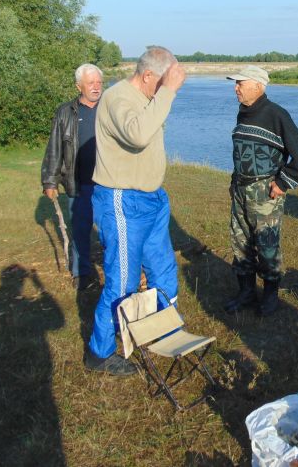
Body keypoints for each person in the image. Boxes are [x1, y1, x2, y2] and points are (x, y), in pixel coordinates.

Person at [84, 46, 186, 376]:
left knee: (164, 271)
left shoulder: (146, 98)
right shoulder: (117, 99)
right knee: (122, 283)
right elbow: (139, 135)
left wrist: (165, 91)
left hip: (153, 199)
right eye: (164, 81)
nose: (169, 88)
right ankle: (99, 353)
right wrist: (168, 91)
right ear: (147, 76)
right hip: (123, 201)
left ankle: (160, 331)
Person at [224, 65, 298, 317]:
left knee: (267, 243)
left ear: (258, 86)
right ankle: (246, 292)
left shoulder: (276, 114)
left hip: (265, 193)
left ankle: (271, 295)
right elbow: (241, 153)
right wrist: (234, 181)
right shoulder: (244, 113)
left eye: (240, 82)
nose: (236, 87)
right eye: (236, 83)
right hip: (240, 190)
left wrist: (284, 183)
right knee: (240, 242)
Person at [41, 63, 104, 290]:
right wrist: (50, 180)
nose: (96, 87)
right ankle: (81, 272)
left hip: (108, 184)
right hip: (78, 184)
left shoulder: (111, 108)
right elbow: (55, 148)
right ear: (79, 86)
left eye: (99, 83)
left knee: (111, 231)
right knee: (80, 230)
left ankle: (116, 270)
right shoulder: (65, 112)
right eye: (91, 83)